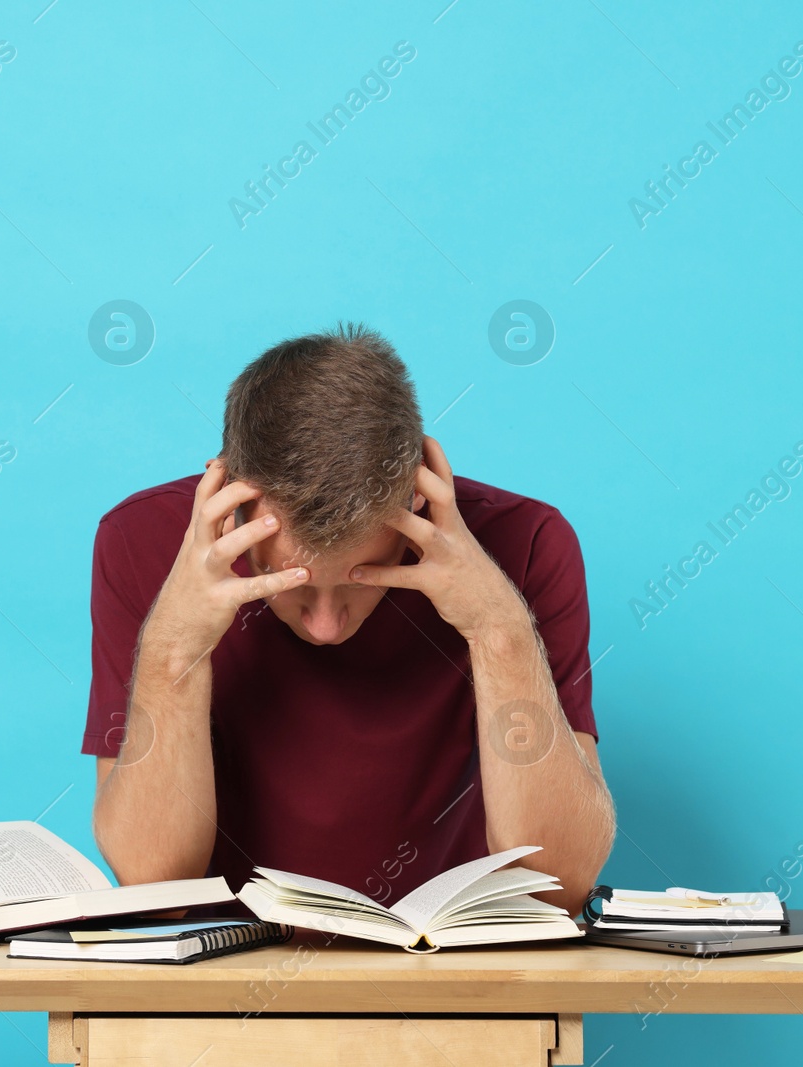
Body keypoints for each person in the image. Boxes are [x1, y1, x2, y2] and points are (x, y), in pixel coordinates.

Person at [83, 324, 614, 913]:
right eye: (291, 585)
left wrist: (498, 627)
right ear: (229, 499)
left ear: (419, 494)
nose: (326, 627)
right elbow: (156, 887)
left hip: (462, 975)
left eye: (366, 576)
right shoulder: (143, 542)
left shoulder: (527, 544)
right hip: (220, 978)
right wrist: (174, 646)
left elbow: (557, 884)